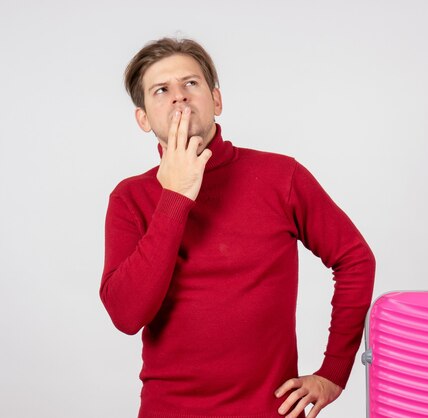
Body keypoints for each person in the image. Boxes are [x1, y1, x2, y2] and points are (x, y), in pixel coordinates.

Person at [100, 37, 375, 418]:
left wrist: (333, 372)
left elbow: (355, 258)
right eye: (161, 90)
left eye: (190, 83)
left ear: (216, 100)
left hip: (270, 410)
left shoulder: (282, 176)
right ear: (143, 118)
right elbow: (126, 315)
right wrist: (176, 196)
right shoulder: (130, 198)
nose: (178, 97)